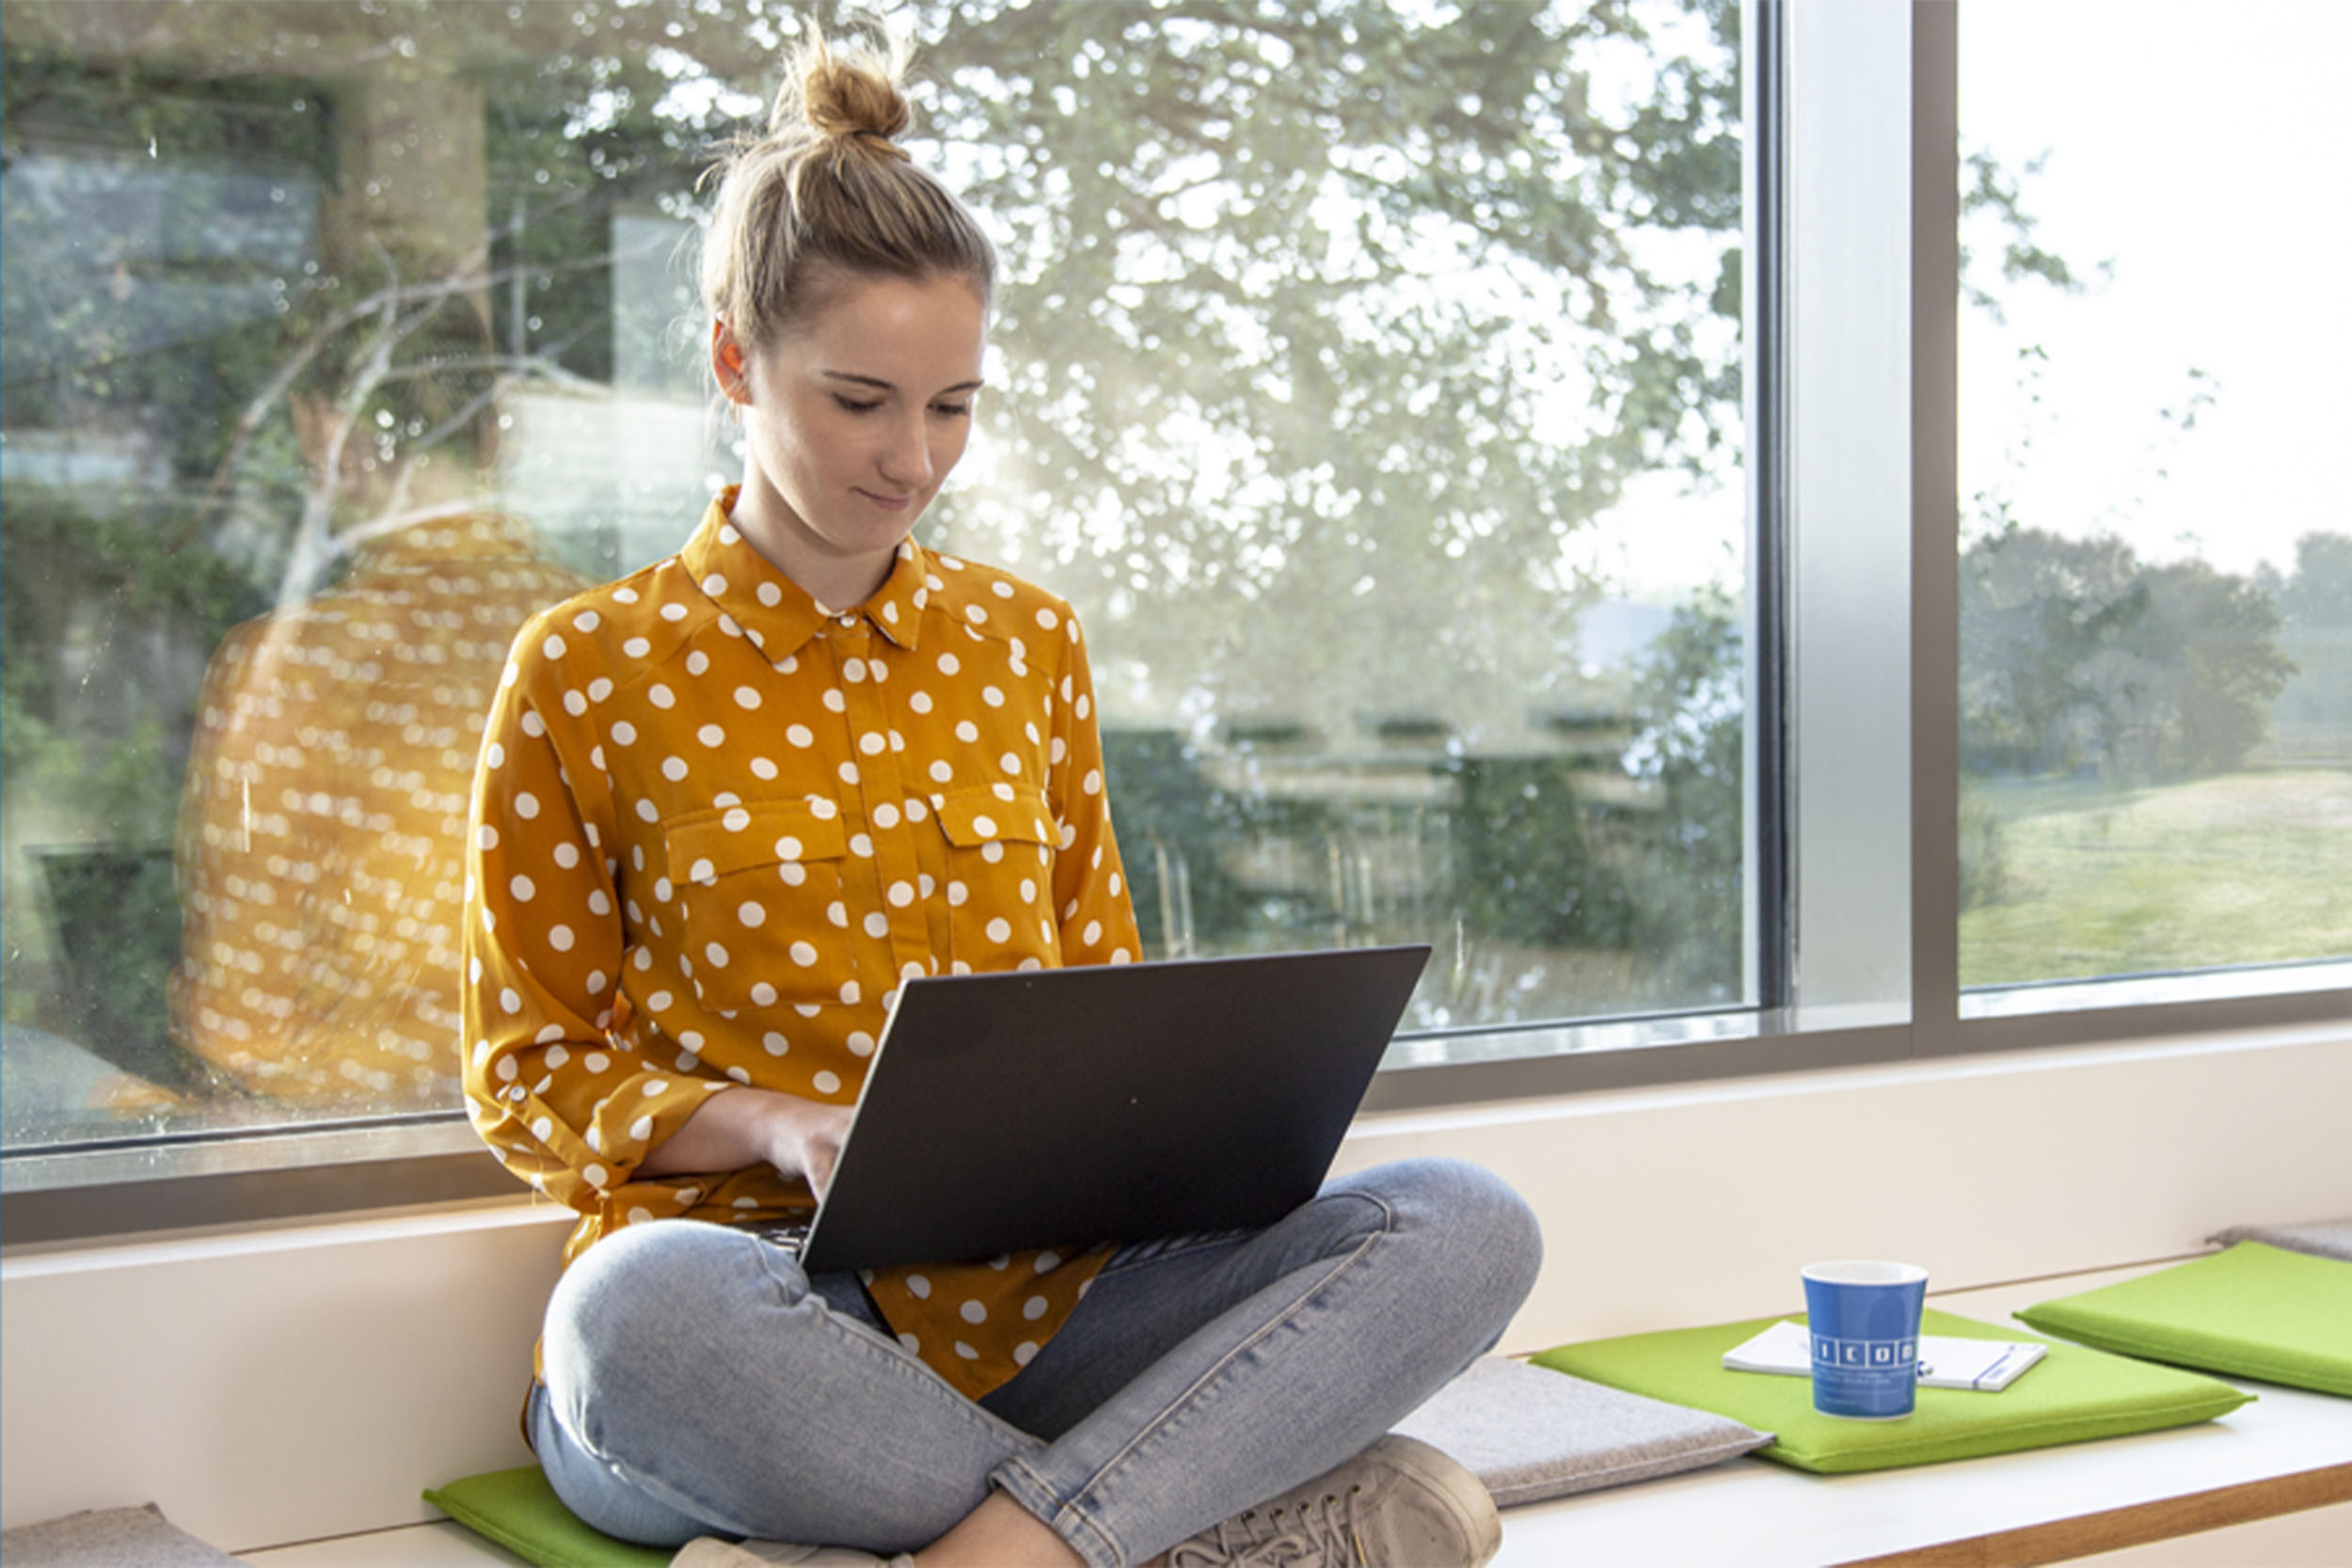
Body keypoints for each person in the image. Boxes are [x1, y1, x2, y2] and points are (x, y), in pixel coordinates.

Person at [461, 30, 1540, 1568]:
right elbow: (525, 1074)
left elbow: (1094, 990)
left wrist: (1186, 1123)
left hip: (1048, 1310)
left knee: (1464, 1219)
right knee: (628, 1323)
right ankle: (1172, 1519)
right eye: (860, 402)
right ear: (730, 364)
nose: (912, 460)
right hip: (755, 1329)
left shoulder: (1026, 643)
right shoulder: (588, 667)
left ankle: (1010, 1550)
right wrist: (776, 1127)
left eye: (953, 407)